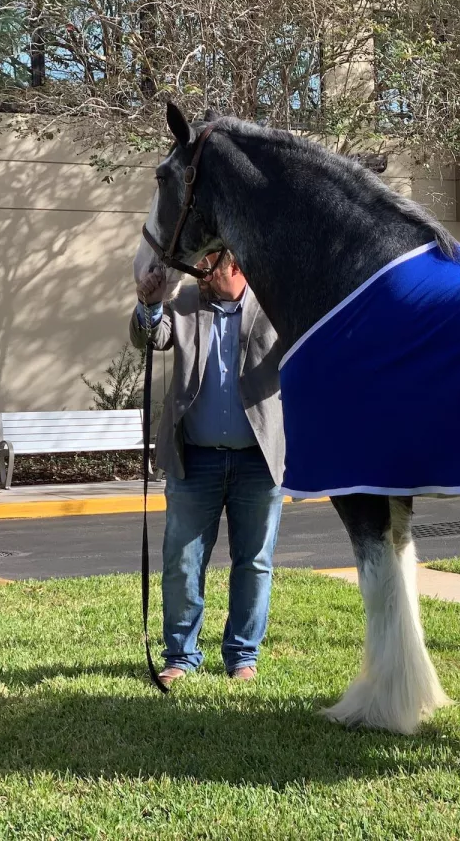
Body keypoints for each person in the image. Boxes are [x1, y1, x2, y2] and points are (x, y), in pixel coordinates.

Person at [130, 249, 285, 686]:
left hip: (258, 460)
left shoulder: (274, 305)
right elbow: (148, 338)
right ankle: (180, 655)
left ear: (235, 266)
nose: (199, 271)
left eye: (209, 263)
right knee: (181, 561)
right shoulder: (184, 305)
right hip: (193, 458)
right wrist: (150, 303)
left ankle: (242, 656)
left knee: (254, 562)